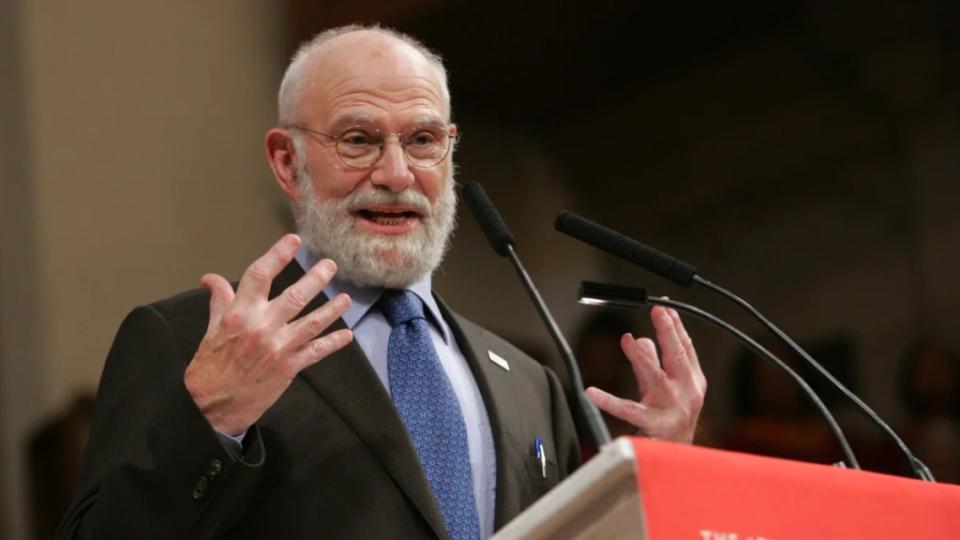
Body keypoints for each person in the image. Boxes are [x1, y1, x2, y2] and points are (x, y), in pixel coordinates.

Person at [58, 24, 706, 539]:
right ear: (287, 161)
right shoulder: (190, 337)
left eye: (422, 140)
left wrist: (650, 477)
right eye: (359, 139)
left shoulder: (528, 379)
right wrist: (213, 423)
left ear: (449, 150)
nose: (396, 173)